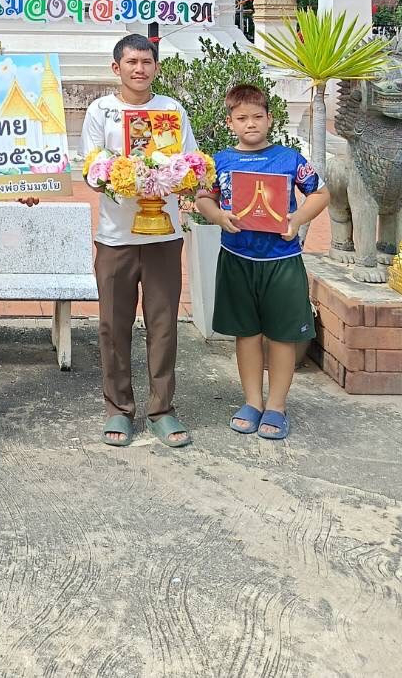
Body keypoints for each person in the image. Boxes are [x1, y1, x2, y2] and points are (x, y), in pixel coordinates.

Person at [81, 33, 198, 450]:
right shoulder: (101, 112)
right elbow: (92, 172)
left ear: (156, 68)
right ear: (117, 68)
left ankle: (162, 409)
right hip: (116, 237)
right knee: (114, 325)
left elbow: (191, 164)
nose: (139, 69)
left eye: (147, 62)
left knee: (163, 323)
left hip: (164, 233)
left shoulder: (171, 110)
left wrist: (175, 176)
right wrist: (122, 173)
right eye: (131, 62)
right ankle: (118, 408)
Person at [194, 83, 328, 440]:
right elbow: (203, 198)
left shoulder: (289, 159)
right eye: (242, 118)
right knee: (247, 334)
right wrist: (219, 217)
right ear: (230, 122)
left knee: (282, 336)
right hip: (237, 258)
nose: (250, 124)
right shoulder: (220, 161)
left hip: (282, 261)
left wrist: (295, 221)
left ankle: (278, 406)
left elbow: (320, 193)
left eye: (257, 117)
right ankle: (252, 401)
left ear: (270, 119)